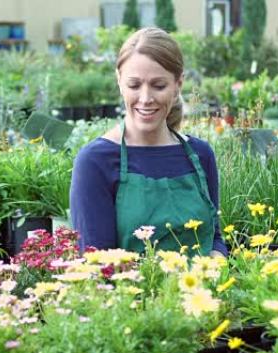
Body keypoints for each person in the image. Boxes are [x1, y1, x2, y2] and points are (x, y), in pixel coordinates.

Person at [70, 27, 227, 257]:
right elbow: (96, 263)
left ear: (178, 85)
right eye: (134, 85)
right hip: (129, 291)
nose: (145, 98)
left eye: (158, 85)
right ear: (119, 82)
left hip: (201, 290)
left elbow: (213, 237)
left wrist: (217, 261)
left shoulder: (200, 155)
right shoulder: (96, 161)